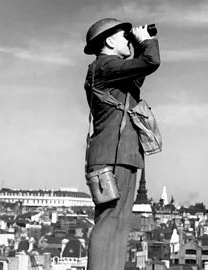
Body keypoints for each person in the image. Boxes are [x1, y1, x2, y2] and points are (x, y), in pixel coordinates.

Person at [82, 18, 160, 270]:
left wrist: (136, 46)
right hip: (113, 156)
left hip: (119, 155)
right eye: (124, 36)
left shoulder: (108, 71)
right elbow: (150, 62)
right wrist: (146, 41)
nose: (129, 38)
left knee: (119, 222)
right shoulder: (103, 66)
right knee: (109, 221)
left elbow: (136, 78)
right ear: (109, 41)